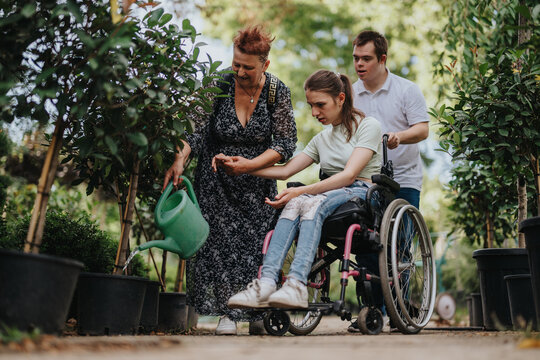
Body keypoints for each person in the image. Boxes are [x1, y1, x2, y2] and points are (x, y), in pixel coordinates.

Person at [162, 25, 297, 335]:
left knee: (254, 247)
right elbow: (193, 130)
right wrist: (180, 159)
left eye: (247, 67)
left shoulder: (278, 92)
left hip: (257, 183)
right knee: (219, 245)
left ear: (265, 64)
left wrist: (250, 165)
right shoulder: (217, 85)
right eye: (236, 63)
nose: (239, 71)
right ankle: (228, 312)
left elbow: (285, 143)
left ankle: (254, 311)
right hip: (216, 181)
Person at [224, 69, 382, 309]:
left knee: (308, 199)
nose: (315, 112)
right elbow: (286, 170)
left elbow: (350, 175)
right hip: (333, 195)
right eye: (311, 105)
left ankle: (297, 284)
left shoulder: (369, 126)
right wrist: (245, 167)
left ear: (341, 98)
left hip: (362, 192)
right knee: (296, 202)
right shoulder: (321, 139)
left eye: (320, 104)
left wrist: (302, 191)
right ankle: (266, 283)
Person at [349, 30, 429, 332]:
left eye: (366, 58)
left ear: (383, 59)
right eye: (356, 58)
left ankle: (400, 311)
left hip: (404, 180)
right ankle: (372, 313)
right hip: (365, 180)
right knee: (366, 247)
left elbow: (422, 130)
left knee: (399, 248)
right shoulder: (351, 94)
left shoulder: (407, 90)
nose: (359, 64)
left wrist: (399, 136)